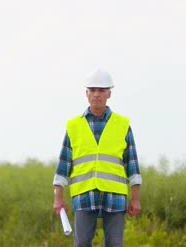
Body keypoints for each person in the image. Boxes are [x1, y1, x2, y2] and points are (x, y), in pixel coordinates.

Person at [53, 69, 142, 247]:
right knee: (81, 244)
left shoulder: (122, 125)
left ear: (109, 93)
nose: (96, 95)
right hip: (85, 195)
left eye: (101, 90)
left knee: (115, 244)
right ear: (86, 93)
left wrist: (135, 198)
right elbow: (63, 166)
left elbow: (132, 165)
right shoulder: (74, 126)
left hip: (114, 195)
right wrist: (58, 198)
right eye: (92, 90)